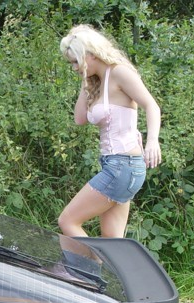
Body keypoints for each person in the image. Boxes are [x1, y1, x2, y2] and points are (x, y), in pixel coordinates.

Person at [58, 25, 162, 238]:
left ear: (91, 54)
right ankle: (103, 261)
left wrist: (152, 140)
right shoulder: (98, 81)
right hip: (118, 165)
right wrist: (85, 81)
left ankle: (86, 261)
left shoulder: (119, 72)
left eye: (76, 61)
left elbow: (151, 105)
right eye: (71, 63)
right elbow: (79, 119)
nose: (74, 68)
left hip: (123, 166)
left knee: (67, 220)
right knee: (112, 239)